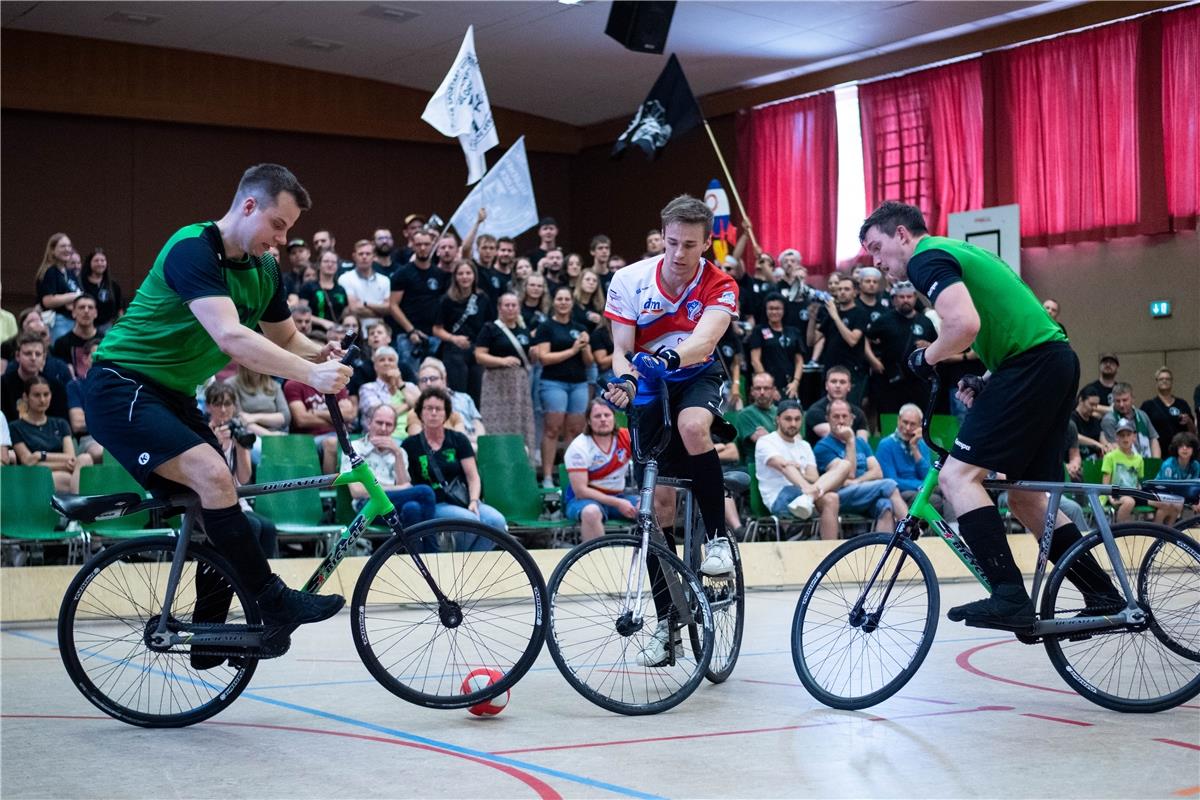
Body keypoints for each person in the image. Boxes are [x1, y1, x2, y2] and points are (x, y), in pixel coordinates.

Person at [84, 164, 351, 660]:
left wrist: (320, 355)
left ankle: (210, 634)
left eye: (288, 229)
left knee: (233, 517)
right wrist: (308, 377)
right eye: (278, 224)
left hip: (172, 396)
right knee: (213, 475)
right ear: (248, 206)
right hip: (121, 388)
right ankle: (273, 602)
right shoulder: (192, 248)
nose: (282, 239)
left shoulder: (265, 269)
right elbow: (230, 337)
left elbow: (284, 337)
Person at [860, 200, 1116, 631]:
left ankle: (1008, 595)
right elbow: (1009, 322)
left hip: (1033, 366)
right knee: (1026, 498)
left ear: (901, 235)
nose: (876, 261)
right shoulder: (958, 253)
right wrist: (986, 378)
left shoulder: (926, 258)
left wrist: (927, 358)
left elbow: (962, 325)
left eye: (876, 248)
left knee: (956, 477)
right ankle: (1102, 592)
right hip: (1051, 361)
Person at [601, 194, 740, 582]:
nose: (679, 253)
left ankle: (717, 540)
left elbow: (705, 342)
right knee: (657, 505)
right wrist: (626, 379)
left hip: (696, 374)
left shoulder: (720, 283)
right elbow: (622, 350)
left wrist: (668, 359)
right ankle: (668, 617)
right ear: (663, 235)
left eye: (690, 245)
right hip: (649, 383)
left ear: (706, 243)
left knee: (693, 426)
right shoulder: (629, 279)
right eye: (673, 242)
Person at [401, 387, 506, 550]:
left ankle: (470, 566)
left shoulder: (458, 439)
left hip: (464, 498)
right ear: (420, 413)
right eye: (429, 408)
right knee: (470, 522)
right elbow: (406, 481)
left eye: (439, 409)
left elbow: (473, 476)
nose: (434, 413)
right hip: (435, 503)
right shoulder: (410, 444)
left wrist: (473, 501)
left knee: (497, 521)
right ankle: (459, 563)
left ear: (446, 413)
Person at [754, 400, 847, 540]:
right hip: (779, 496)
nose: (793, 423)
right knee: (790, 469)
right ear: (777, 419)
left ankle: (829, 553)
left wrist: (804, 481)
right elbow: (784, 467)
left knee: (835, 488)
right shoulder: (766, 441)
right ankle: (809, 496)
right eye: (788, 419)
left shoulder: (804, 445)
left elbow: (814, 477)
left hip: (805, 496)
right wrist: (806, 487)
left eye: (797, 419)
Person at [204, 381, 277, 558]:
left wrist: (241, 447)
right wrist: (216, 444)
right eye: (217, 404)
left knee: (268, 528)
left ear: (234, 406)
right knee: (252, 526)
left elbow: (244, 479)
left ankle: (265, 580)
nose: (223, 409)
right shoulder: (203, 434)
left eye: (228, 404)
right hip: (209, 505)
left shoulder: (238, 432)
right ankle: (242, 577)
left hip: (237, 503)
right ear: (208, 407)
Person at [814, 399, 909, 532]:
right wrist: (850, 441)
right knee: (889, 485)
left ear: (852, 419)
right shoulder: (823, 447)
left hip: (863, 492)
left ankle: (882, 549)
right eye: (836, 416)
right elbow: (849, 473)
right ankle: (913, 532)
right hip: (839, 495)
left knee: (886, 506)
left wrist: (857, 482)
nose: (841, 421)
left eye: (844, 416)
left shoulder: (862, 443)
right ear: (828, 419)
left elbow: (877, 472)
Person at [341, 403, 436, 530]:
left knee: (412, 508)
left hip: (392, 505)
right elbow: (357, 492)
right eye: (379, 423)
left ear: (394, 428)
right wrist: (398, 488)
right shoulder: (354, 449)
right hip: (367, 506)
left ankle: (413, 550)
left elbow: (405, 486)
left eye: (389, 424)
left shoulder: (399, 452)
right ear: (369, 423)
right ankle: (432, 548)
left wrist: (397, 454)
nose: (384, 428)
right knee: (425, 492)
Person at [533, 285, 592, 488]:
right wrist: (573, 349)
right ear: (554, 302)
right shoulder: (546, 327)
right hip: (553, 382)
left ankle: (570, 477)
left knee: (575, 430)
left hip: (579, 382)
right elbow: (544, 358)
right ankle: (548, 476)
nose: (563, 302)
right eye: (560, 299)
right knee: (552, 429)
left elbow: (589, 361)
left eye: (567, 299)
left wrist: (584, 347)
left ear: (572, 302)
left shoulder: (580, 326)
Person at [564, 399, 637, 542]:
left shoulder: (626, 437)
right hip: (582, 501)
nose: (603, 419)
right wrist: (618, 503)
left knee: (650, 509)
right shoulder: (579, 446)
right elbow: (580, 491)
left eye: (607, 415)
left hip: (619, 496)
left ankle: (653, 560)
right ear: (589, 421)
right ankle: (596, 561)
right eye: (597, 416)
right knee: (591, 513)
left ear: (614, 418)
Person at [474, 292, 536, 459]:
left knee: (519, 424)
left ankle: (521, 463)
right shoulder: (490, 328)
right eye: (506, 305)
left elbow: (528, 358)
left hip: (518, 385)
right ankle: (495, 461)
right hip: (496, 383)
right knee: (495, 425)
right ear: (499, 308)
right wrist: (502, 361)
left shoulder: (524, 330)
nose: (510, 308)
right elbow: (479, 355)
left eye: (513, 305)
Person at [9, 375, 92, 492]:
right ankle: (79, 504)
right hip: (35, 477)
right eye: (36, 395)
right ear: (25, 397)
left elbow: (70, 457)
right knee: (67, 478)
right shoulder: (15, 427)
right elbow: (27, 462)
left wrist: (40, 456)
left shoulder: (61, 423)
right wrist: (63, 464)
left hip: (65, 473)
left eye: (46, 394)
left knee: (85, 458)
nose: (42, 400)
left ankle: (76, 502)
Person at [432, 260, 492, 405]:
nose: (465, 277)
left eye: (468, 273)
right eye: (461, 273)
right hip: (454, 352)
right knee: (458, 396)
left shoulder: (483, 298)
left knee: (476, 396)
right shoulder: (447, 300)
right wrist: (453, 338)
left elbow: (490, 325)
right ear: (455, 276)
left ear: (474, 276)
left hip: (477, 352)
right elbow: (436, 329)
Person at [875, 403, 950, 518]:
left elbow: (927, 476)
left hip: (921, 488)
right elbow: (891, 481)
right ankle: (930, 533)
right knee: (935, 500)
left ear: (920, 425)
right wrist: (921, 486)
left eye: (912, 424)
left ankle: (954, 530)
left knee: (949, 490)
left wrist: (915, 449)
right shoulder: (886, 445)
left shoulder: (922, 444)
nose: (908, 428)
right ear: (898, 420)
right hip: (901, 492)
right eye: (905, 422)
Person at [807, 274, 869, 406]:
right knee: (828, 410)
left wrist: (835, 317)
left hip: (851, 372)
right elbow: (811, 341)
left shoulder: (860, 313)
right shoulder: (832, 313)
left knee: (848, 410)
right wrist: (812, 318)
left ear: (855, 292)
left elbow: (852, 340)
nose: (842, 292)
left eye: (846, 289)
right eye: (840, 289)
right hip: (830, 371)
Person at [747, 293, 805, 399]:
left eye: (778, 308)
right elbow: (755, 360)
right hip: (767, 388)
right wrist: (769, 387)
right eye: (771, 308)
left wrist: (795, 383)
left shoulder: (793, 331)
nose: (774, 312)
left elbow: (799, 360)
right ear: (765, 310)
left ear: (784, 310)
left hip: (790, 385)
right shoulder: (759, 330)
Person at [1, 333, 70, 422]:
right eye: (28, 354)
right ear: (17, 356)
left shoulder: (55, 386)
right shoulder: (3, 384)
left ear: (44, 357)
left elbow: (61, 422)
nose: (33, 358)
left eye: (38, 354)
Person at [34, 232, 83, 342]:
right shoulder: (50, 272)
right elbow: (47, 300)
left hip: (73, 321)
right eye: (62, 246)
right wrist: (73, 297)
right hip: (57, 321)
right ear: (52, 250)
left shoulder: (69, 272)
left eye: (69, 246)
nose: (67, 249)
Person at [803, 365, 869, 446]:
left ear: (849, 386)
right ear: (826, 385)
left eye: (842, 382)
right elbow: (838, 437)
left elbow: (863, 445)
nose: (838, 386)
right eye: (833, 381)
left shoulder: (858, 413)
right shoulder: (815, 411)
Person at [357, 345, 417, 432]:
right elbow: (379, 415)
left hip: (411, 436)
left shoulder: (410, 386)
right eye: (382, 360)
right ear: (375, 366)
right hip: (380, 436)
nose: (387, 363)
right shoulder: (367, 388)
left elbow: (422, 408)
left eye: (391, 360)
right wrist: (408, 405)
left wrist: (400, 384)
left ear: (397, 365)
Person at [1140, 366, 1195, 456]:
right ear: (1156, 382)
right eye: (1161, 379)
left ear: (1172, 382)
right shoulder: (1148, 405)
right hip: (1156, 453)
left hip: (1180, 453)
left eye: (1167, 379)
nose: (1164, 381)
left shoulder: (1182, 404)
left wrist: (1189, 421)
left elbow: (1192, 432)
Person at [1100, 382, 1160, 459]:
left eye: (1125, 400)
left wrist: (1155, 462)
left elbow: (1153, 439)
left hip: (1147, 461)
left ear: (1132, 399)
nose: (1121, 404)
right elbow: (1115, 448)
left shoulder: (1142, 415)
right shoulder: (1109, 420)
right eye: (1118, 401)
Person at [299, 250, 351, 332]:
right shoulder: (308, 287)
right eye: (326, 261)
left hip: (336, 334)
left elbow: (345, 314)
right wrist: (323, 322)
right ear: (319, 265)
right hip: (315, 333)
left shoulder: (341, 289)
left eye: (333, 262)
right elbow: (301, 313)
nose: (330, 264)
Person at [50, 294, 99, 379]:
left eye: (90, 307)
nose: (86, 311)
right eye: (81, 307)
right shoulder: (61, 343)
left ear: (96, 313)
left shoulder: (105, 341)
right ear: (73, 313)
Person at [736, 372, 779, 463]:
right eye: (758, 388)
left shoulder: (780, 412)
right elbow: (766, 444)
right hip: (757, 466)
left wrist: (770, 436)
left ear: (774, 390)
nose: (762, 392)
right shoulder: (745, 414)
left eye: (766, 388)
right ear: (752, 391)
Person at [79, 248, 124, 332]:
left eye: (102, 260)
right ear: (90, 263)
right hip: (86, 326)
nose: (100, 263)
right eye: (96, 261)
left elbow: (120, 309)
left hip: (107, 326)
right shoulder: (81, 282)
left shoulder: (113, 284)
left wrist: (121, 328)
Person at [1071, 385, 1108, 459]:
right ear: (1081, 400)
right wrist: (1096, 444)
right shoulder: (1072, 418)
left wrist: (1107, 446)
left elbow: (1102, 437)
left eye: (1096, 405)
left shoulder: (1095, 420)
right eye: (1091, 404)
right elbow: (1075, 436)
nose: (1094, 408)